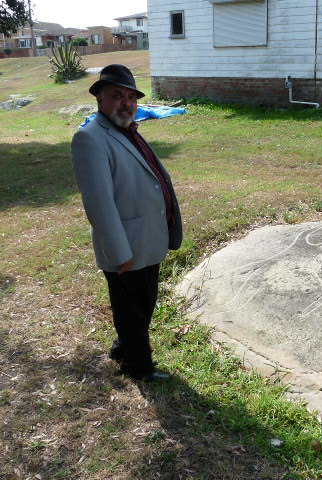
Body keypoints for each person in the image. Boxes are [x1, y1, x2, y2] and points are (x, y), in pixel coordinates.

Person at [71, 64, 182, 381]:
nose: (126, 103)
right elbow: (99, 204)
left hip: (146, 239)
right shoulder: (90, 139)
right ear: (100, 100)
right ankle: (139, 367)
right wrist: (120, 253)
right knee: (131, 311)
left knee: (142, 305)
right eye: (116, 95)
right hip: (127, 246)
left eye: (131, 97)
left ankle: (123, 349)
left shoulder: (127, 131)